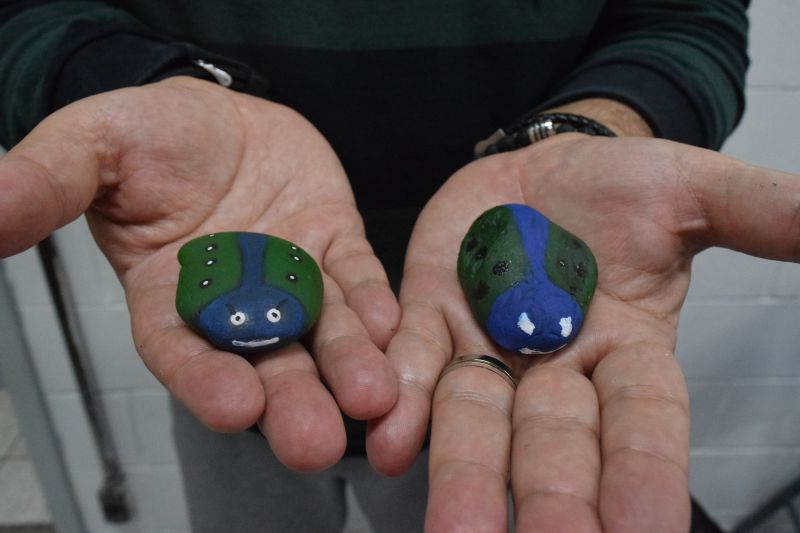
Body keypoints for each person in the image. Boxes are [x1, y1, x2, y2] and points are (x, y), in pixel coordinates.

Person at [3, 1, 796, 532]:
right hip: (232, 375)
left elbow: (687, 18)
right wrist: (141, 90)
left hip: (493, 389)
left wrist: (593, 128)